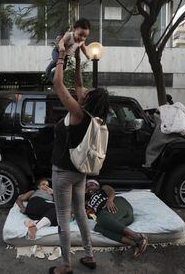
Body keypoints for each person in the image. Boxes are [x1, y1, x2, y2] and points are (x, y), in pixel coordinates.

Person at [50, 48, 110, 274]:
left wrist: (61, 56)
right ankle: (89, 255)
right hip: (80, 172)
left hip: (63, 173)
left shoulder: (77, 113)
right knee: (81, 213)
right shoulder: (96, 119)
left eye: (88, 91)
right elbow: (77, 85)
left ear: (89, 99)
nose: (84, 90)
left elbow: (58, 84)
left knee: (63, 219)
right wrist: (77, 61)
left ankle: (65, 265)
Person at [85, 180, 148, 260]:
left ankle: (138, 236)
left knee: (101, 216)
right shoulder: (88, 204)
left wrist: (110, 200)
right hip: (123, 219)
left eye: (93, 184)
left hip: (119, 205)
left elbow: (111, 190)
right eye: (88, 185)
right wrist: (89, 214)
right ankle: (134, 244)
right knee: (98, 227)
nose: (90, 186)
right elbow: (94, 217)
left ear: (98, 186)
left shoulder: (102, 189)